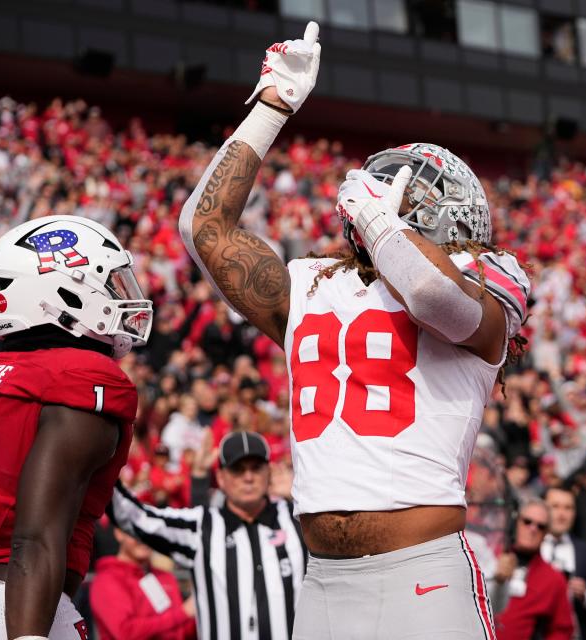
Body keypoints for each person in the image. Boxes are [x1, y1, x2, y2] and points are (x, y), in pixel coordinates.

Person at [178, 20, 530, 639]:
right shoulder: (314, 283)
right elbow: (204, 231)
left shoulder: (490, 276)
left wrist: (374, 218)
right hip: (324, 583)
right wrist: (271, 108)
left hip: (426, 576)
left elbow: (429, 290)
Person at [0, 215, 152, 640]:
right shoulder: (83, 377)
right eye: (110, 282)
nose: (124, 295)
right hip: (19, 611)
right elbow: (37, 536)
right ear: (63, 289)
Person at [109, 430, 308, 640]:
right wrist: (104, 459)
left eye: (256, 468)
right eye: (238, 470)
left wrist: (301, 494)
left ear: (269, 472)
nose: (248, 477)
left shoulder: (298, 519)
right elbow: (134, 516)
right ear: (221, 478)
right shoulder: (201, 526)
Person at [90, 528, 196, 640]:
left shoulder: (166, 577)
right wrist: (183, 613)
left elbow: (181, 633)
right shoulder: (107, 580)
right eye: (135, 531)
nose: (143, 539)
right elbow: (126, 632)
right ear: (119, 533)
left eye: (149, 531)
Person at [492, 500, 574, 640]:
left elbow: (562, 630)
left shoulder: (554, 579)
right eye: (527, 522)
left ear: (546, 533)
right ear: (516, 522)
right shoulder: (490, 557)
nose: (533, 529)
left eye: (540, 526)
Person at [542, 487, 586, 640]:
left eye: (568, 508)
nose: (561, 514)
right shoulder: (527, 545)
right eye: (555, 506)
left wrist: (585, 596)